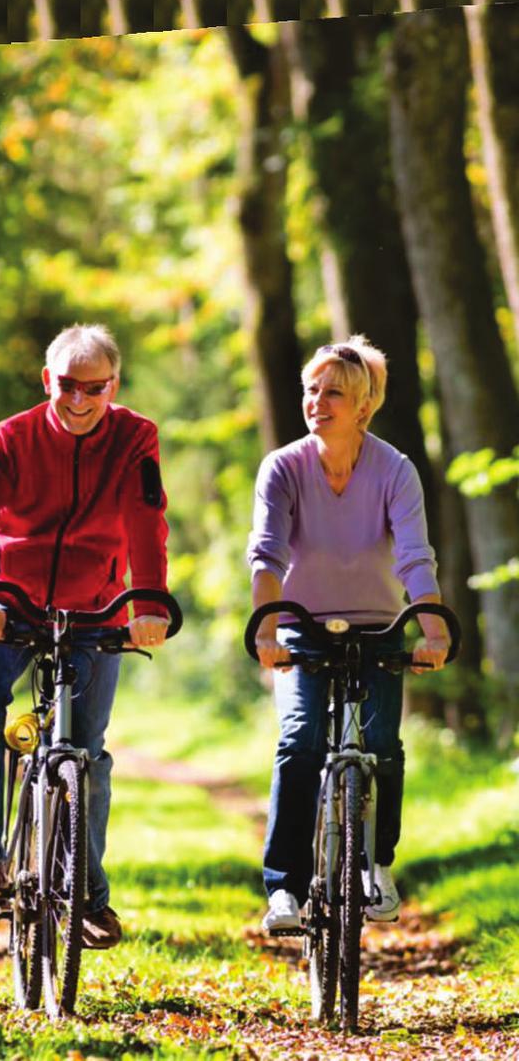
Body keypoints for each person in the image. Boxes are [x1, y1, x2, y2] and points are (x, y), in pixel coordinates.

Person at [0, 323, 171, 950]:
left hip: (95, 606)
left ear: (113, 385)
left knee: (87, 754)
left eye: (94, 388)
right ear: (49, 381)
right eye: (68, 386)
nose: (79, 401)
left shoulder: (134, 437)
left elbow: (146, 519)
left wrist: (148, 602)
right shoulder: (12, 438)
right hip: (7, 601)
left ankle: (89, 898)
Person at [247, 335, 449, 933]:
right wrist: (266, 627)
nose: (317, 400)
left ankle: (377, 864)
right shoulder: (283, 467)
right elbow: (266, 555)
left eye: (333, 392)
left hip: (380, 628)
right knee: (300, 741)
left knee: (382, 746)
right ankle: (284, 889)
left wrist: (431, 630)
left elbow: (415, 558)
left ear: (363, 406)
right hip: (304, 632)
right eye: (312, 389)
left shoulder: (395, 470)